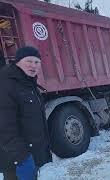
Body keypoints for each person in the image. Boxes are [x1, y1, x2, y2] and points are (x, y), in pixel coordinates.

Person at [0, 46, 52, 180]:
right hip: (16, 159)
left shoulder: (28, 83)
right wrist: (21, 158)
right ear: (17, 62)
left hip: (29, 154)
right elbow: (5, 126)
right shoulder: (6, 84)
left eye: (36, 62)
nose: (33, 65)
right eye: (28, 61)